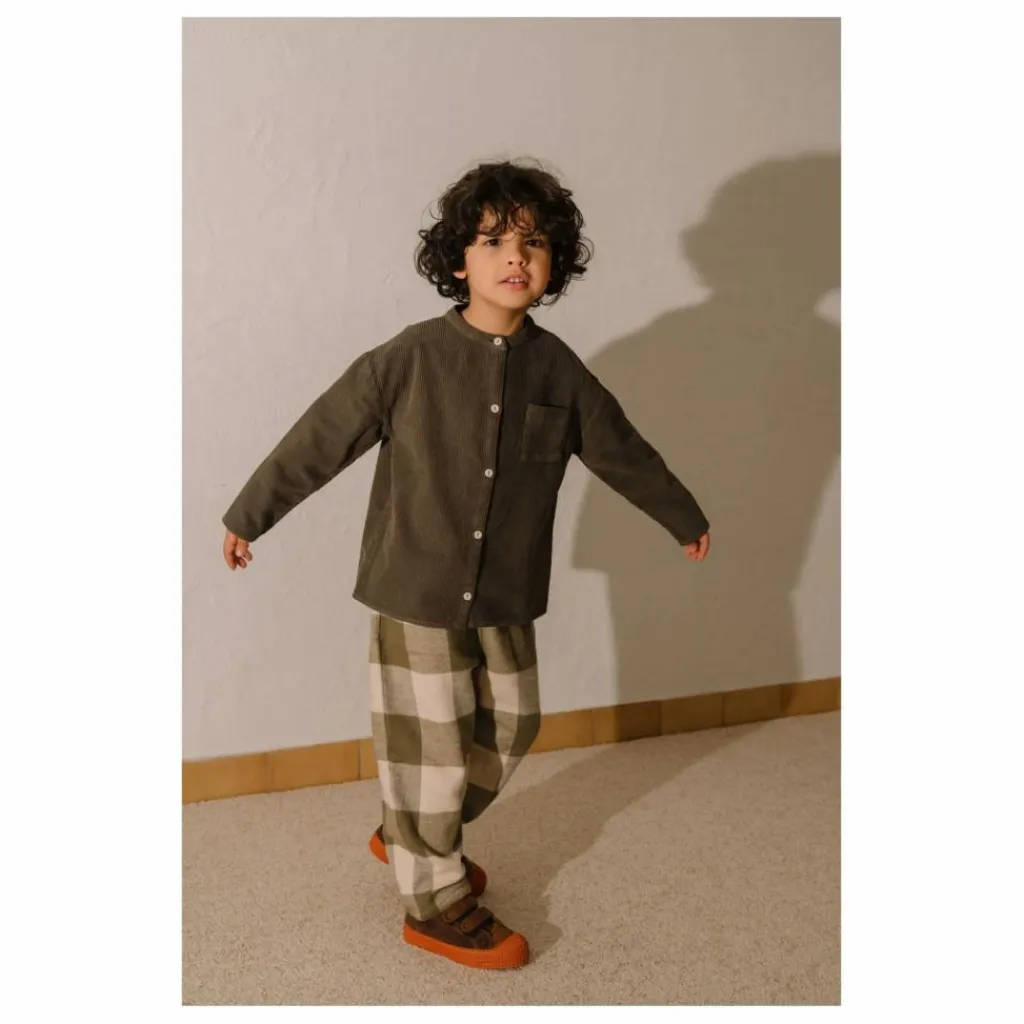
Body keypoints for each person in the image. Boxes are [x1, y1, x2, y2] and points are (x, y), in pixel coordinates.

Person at [221, 159, 711, 970]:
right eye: (493, 242)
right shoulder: (408, 358)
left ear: (554, 264)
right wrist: (251, 513)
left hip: (506, 588)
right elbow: (322, 437)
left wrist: (680, 514)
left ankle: (414, 829)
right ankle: (434, 902)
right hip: (414, 585)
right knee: (434, 746)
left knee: (514, 722)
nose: (515, 256)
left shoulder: (558, 370)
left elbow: (621, 449)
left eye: (534, 243)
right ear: (458, 261)